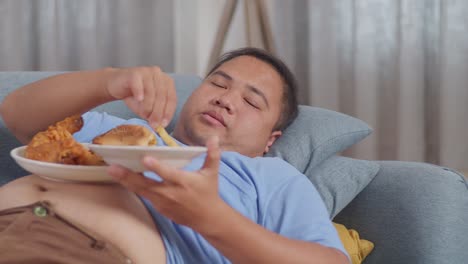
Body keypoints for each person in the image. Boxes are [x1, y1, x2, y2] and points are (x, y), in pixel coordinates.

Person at [0, 47, 349, 263]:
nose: (225, 100)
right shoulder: (122, 131)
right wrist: (108, 82)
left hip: (81, 251)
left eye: (251, 101)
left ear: (270, 140)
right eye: (219, 83)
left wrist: (210, 218)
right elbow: (18, 116)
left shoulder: (272, 178)